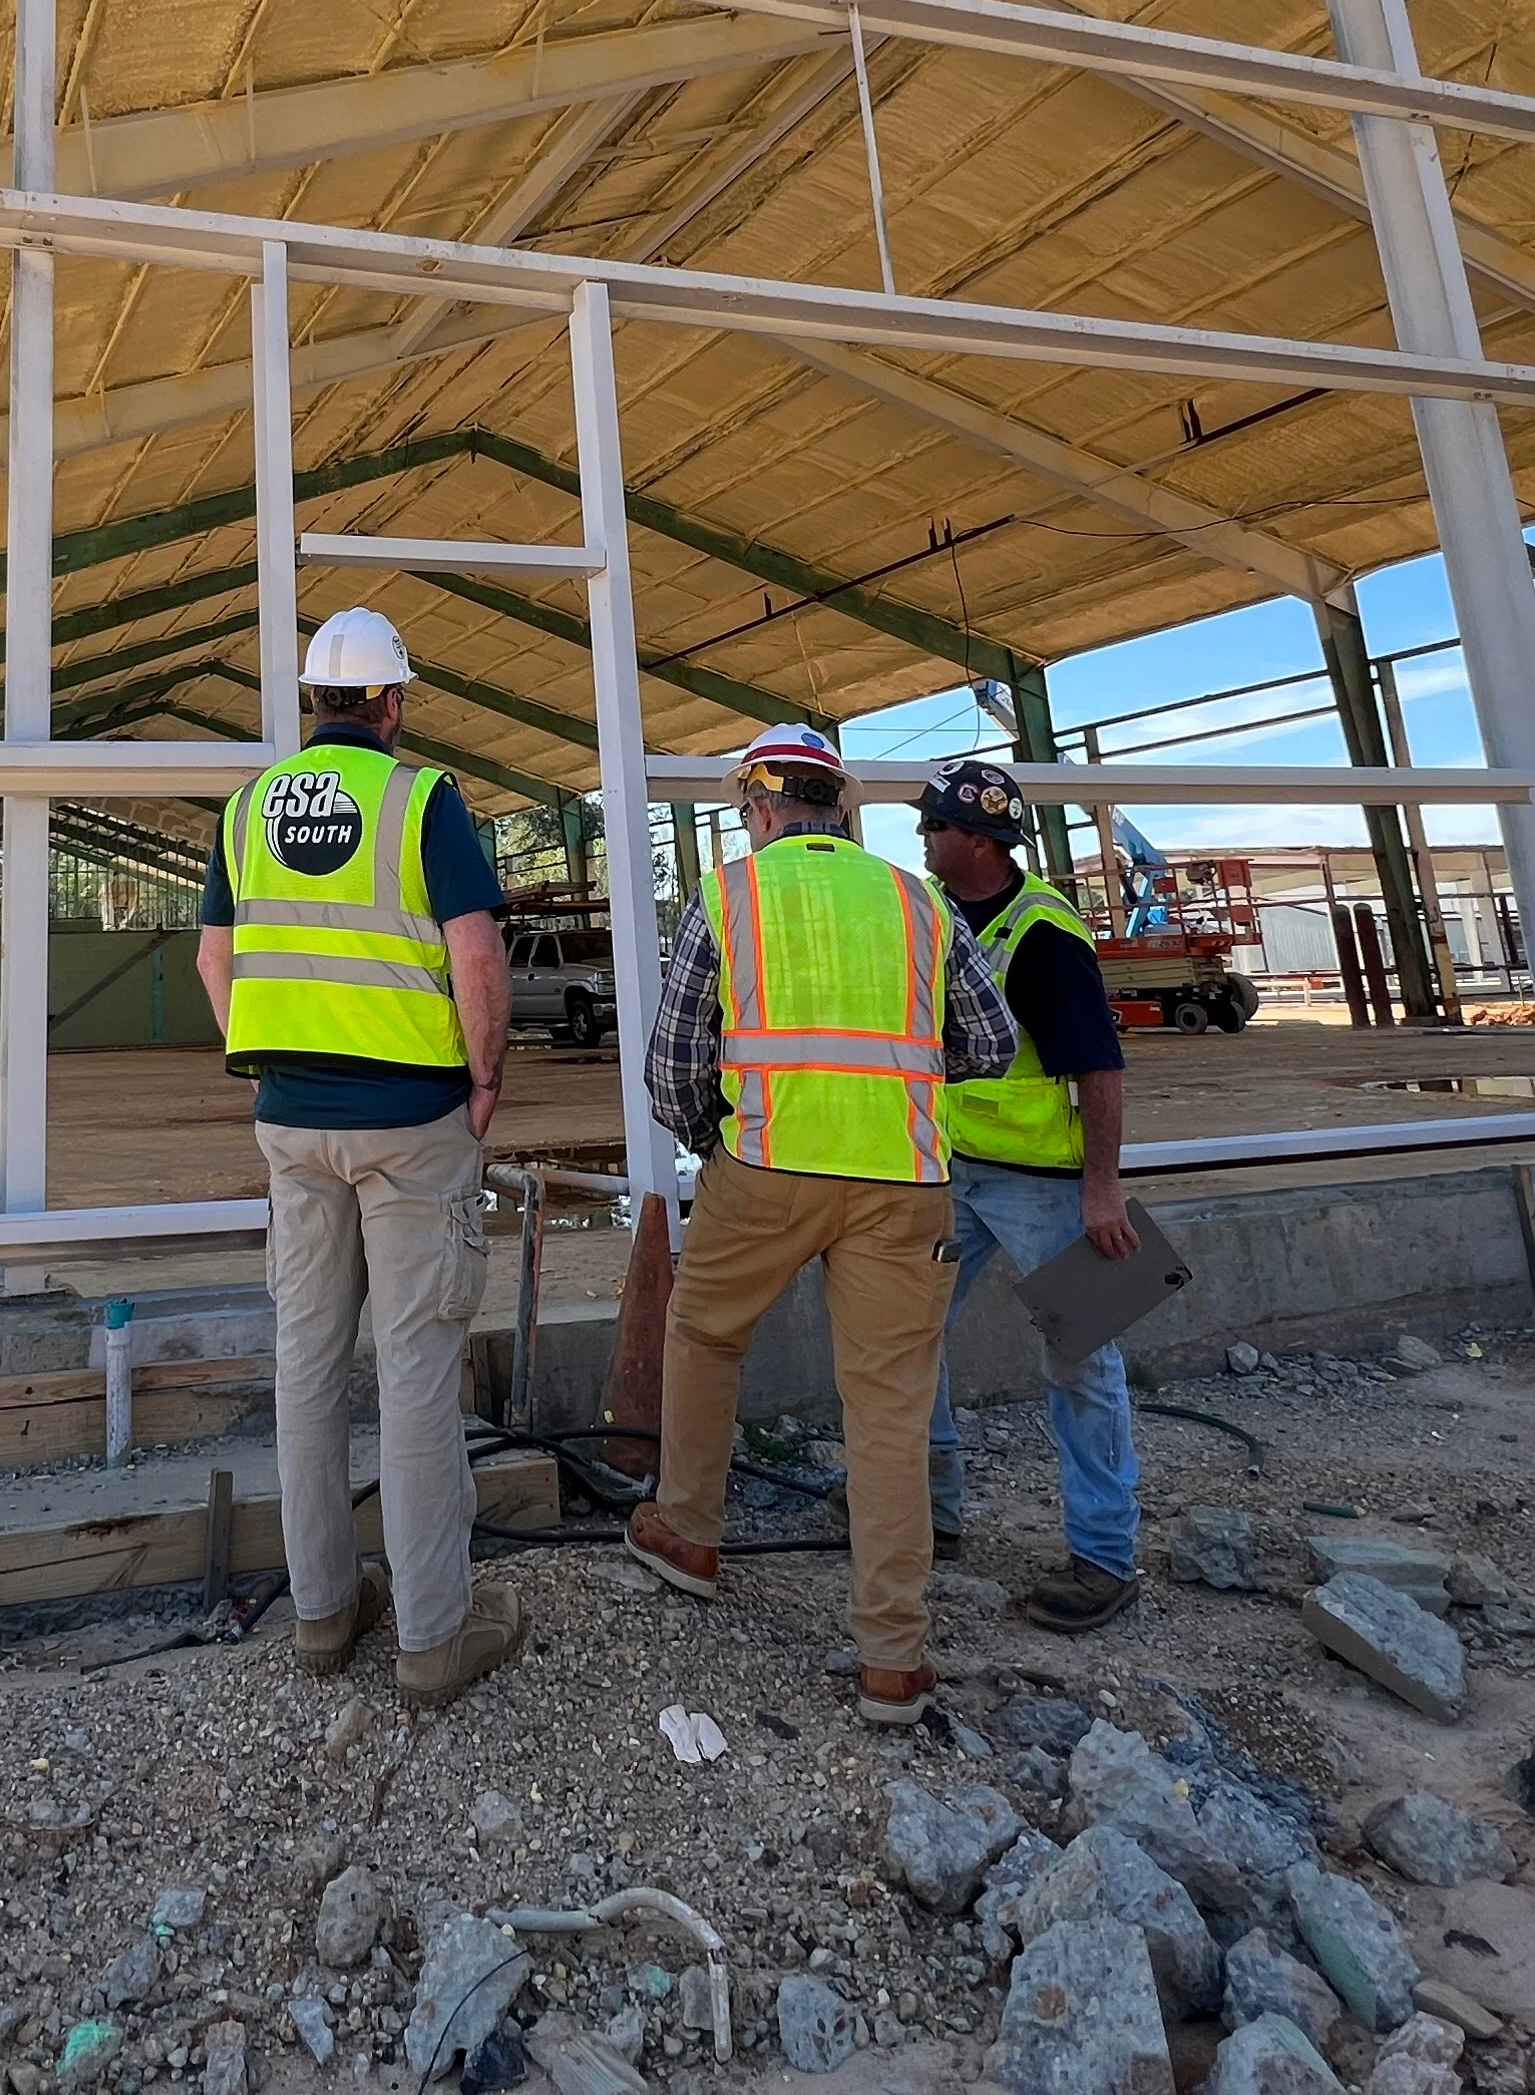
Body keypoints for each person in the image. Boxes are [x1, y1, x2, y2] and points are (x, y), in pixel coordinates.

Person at [621, 723, 1022, 1726]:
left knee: (707, 1337)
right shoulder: (915, 899)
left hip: (761, 1169)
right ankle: (894, 1656)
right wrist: (902, 1092)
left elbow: (671, 1066)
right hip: (903, 1183)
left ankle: (690, 1534)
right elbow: (991, 1044)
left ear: (759, 808)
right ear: (836, 807)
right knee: (889, 1407)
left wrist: (721, 1135)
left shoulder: (730, 893)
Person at [194, 608, 521, 1709]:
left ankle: (325, 1614)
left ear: (312, 704)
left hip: (293, 1123)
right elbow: (474, 950)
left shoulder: (245, 810)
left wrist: (263, 1053)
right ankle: (434, 1636)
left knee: (308, 1362)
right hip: (411, 1127)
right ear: (392, 702)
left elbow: (215, 955)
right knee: (416, 1373)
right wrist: (484, 1078)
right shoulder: (420, 800)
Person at [911, 756, 1146, 1632]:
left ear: (978, 839)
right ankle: (928, 1515)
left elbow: (1100, 1069)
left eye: (936, 827)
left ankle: (1104, 1557)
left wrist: (1103, 1191)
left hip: (1044, 1184)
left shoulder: (1044, 934)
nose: (924, 837)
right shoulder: (934, 915)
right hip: (949, 1170)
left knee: (1082, 1362)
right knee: (908, 1336)